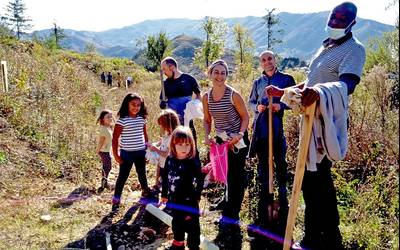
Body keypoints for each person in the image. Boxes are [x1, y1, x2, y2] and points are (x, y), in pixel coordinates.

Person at [266, 2, 366, 249]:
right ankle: (313, 237)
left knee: (319, 181)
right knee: (310, 181)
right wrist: (283, 91)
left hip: (326, 123)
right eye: (333, 17)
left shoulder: (354, 50)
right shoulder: (326, 46)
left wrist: (319, 93)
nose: (335, 23)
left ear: (353, 23)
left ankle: (329, 239)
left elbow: (348, 84)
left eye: (342, 19)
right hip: (309, 120)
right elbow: (311, 82)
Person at [248, 50, 295, 230]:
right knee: (263, 169)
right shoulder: (257, 83)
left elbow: (295, 100)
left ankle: (283, 204)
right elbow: (251, 102)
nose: (267, 62)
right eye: (263, 60)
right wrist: (257, 107)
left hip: (276, 129)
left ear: (275, 60)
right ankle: (265, 206)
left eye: (270, 59)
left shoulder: (286, 79)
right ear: (260, 63)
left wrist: (280, 105)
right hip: (261, 130)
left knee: (280, 165)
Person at [202, 60, 250, 228]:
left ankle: (231, 215)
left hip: (238, 141)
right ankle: (226, 203)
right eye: (216, 72)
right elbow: (207, 120)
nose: (220, 76)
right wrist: (207, 135)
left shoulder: (233, 95)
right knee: (224, 174)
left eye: (223, 73)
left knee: (235, 178)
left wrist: (239, 135)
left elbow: (245, 117)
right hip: (222, 141)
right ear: (210, 74)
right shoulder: (206, 97)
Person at [161, 126, 203, 250]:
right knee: (177, 223)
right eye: (180, 145)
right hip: (174, 200)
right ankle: (178, 243)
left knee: (192, 227)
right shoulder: (170, 160)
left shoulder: (192, 162)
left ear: (192, 145)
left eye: (187, 144)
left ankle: (193, 246)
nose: (184, 148)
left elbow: (200, 179)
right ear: (173, 145)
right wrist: (164, 194)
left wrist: (197, 195)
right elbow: (165, 177)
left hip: (189, 202)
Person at [111, 93, 151, 212]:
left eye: (139, 105)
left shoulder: (142, 119)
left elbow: (145, 135)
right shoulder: (122, 121)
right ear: (126, 104)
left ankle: (145, 192)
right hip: (126, 153)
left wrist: (147, 151)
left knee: (142, 174)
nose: (136, 107)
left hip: (140, 152)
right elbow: (115, 139)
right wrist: (116, 155)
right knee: (122, 176)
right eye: (133, 104)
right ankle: (116, 198)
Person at [160, 57, 201, 145]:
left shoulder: (189, 79)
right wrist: (162, 104)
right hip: (173, 124)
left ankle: (195, 157)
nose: (163, 72)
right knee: (175, 145)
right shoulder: (165, 83)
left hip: (188, 122)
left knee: (191, 143)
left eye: (164, 69)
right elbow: (162, 100)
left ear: (171, 67)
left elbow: (199, 95)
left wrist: (195, 104)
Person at [147, 109, 180, 192]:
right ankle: (157, 185)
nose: (160, 126)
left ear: (167, 124)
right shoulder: (167, 135)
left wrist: (155, 149)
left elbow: (166, 154)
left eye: (161, 125)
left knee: (167, 182)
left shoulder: (173, 137)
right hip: (162, 163)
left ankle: (166, 196)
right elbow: (161, 142)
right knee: (161, 176)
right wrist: (154, 144)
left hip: (168, 165)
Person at [96, 109, 114, 193]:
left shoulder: (108, 127)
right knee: (107, 167)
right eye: (108, 117)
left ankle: (105, 182)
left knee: (107, 166)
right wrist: (97, 151)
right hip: (103, 151)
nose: (110, 118)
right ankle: (103, 184)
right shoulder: (103, 129)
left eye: (111, 116)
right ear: (103, 118)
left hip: (107, 150)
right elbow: (101, 141)